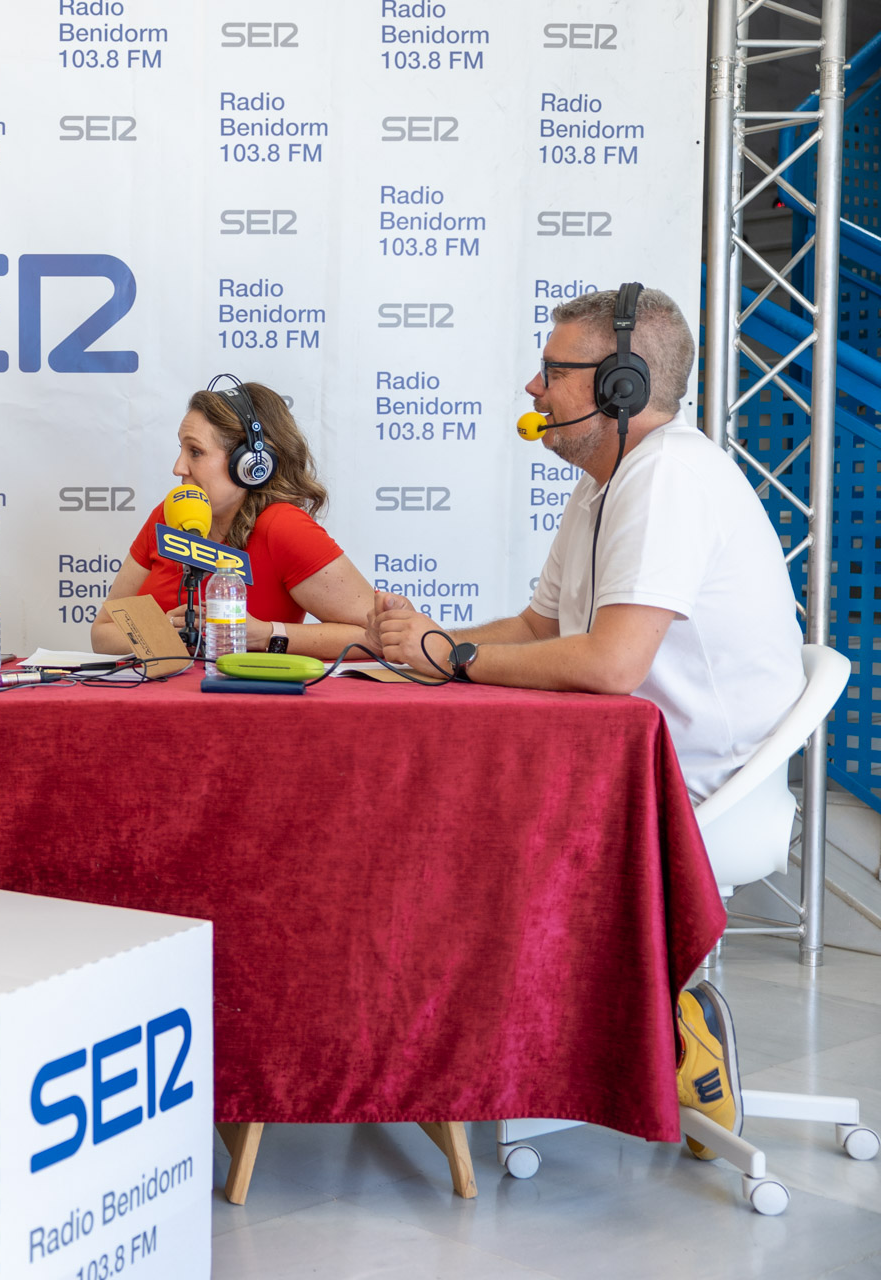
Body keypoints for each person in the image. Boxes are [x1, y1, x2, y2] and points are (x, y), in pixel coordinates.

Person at [369, 285, 803, 1157]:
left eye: (553, 371)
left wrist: (453, 657)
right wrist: (433, 646)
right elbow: (540, 631)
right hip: (625, 767)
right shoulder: (605, 483)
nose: (534, 388)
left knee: (444, 822)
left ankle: (654, 1022)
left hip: (694, 791)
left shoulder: (667, 477)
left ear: (620, 387)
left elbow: (610, 665)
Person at [91, 381, 377, 658]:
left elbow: (375, 636)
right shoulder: (169, 514)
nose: (178, 468)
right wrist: (163, 631)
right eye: (181, 450)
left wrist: (265, 635)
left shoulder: (283, 526)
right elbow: (102, 632)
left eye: (195, 452)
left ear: (249, 465)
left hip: (243, 691)